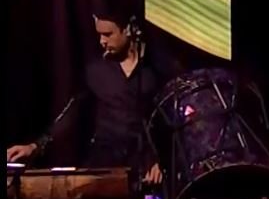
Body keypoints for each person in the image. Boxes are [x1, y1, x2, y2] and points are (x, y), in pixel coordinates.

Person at [7, 11, 168, 183]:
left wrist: (161, 160)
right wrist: (36, 146)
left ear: (128, 30)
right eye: (99, 35)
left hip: (144, 167)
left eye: (108, 34)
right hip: (104, 165)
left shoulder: (156, 68)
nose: (102, 41)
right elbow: (72, 113)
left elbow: (168, 120)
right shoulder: (96, 70)